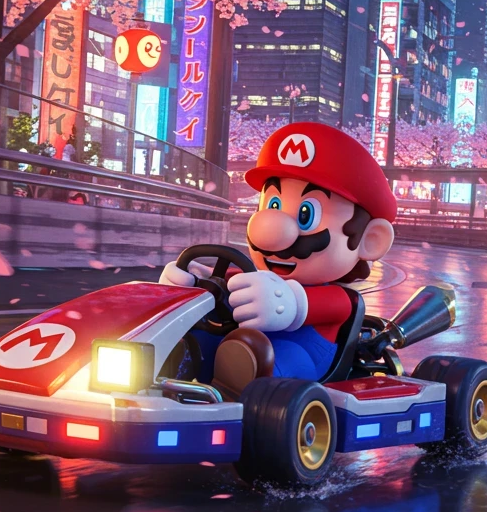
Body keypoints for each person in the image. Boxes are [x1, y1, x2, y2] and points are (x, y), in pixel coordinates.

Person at [161, 122, 397, 395]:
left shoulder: (340, 300)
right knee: (196, 339)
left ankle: (243, 396)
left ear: (371, 240)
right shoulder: (252, 279)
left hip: (303, 360)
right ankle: (168, 373)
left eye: (306, 214)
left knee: (265, 355)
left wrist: (288, 303)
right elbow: (223, 283)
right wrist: (189, 285)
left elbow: (297, 305)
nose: (271, 230)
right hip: (239, 343)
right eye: (272, 204)